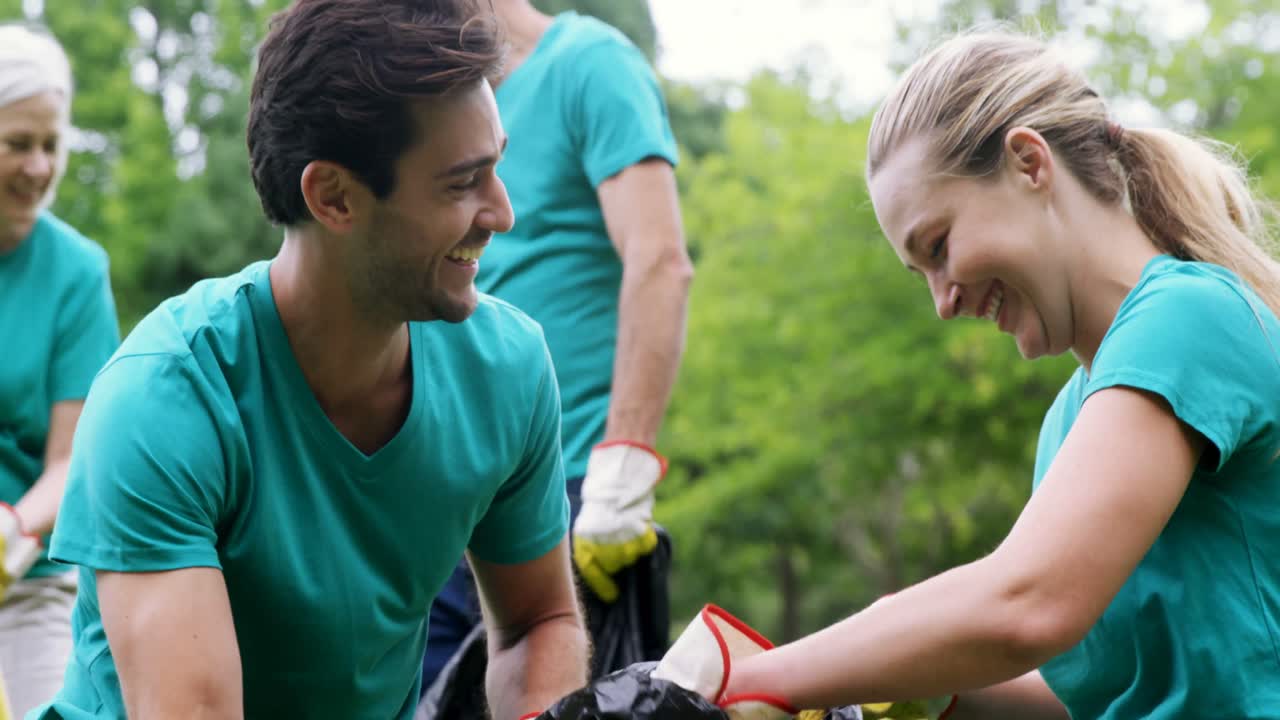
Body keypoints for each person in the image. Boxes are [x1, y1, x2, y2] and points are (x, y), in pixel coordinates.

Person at [650, 29, 1280, 720]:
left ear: (1028, 163)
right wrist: (896, 681)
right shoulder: (1071, 419)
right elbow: (1104, 696)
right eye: (921, 272)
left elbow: (1027, 606)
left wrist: (746, 682)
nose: (943, 302)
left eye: (940, 245)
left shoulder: (1187, 316)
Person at [32, 1, 589, 718]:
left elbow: (538, 622)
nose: (502, 212)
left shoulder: (506, 369)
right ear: (332, 197)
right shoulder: (164, 398)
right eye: (461, 183)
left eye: (496, 169)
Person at [422, 0, 692, 690]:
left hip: (568, 487)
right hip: (442, 484)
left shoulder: (589, 67)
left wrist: (623, 468)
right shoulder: (425, 106)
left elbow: (658, 259)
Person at [0, 23, 120, 717]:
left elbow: (70, 461)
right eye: (18, 144)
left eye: (52, 145)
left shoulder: (77, 273)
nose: (40, 167)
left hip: (29, 578)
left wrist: (11, 532)